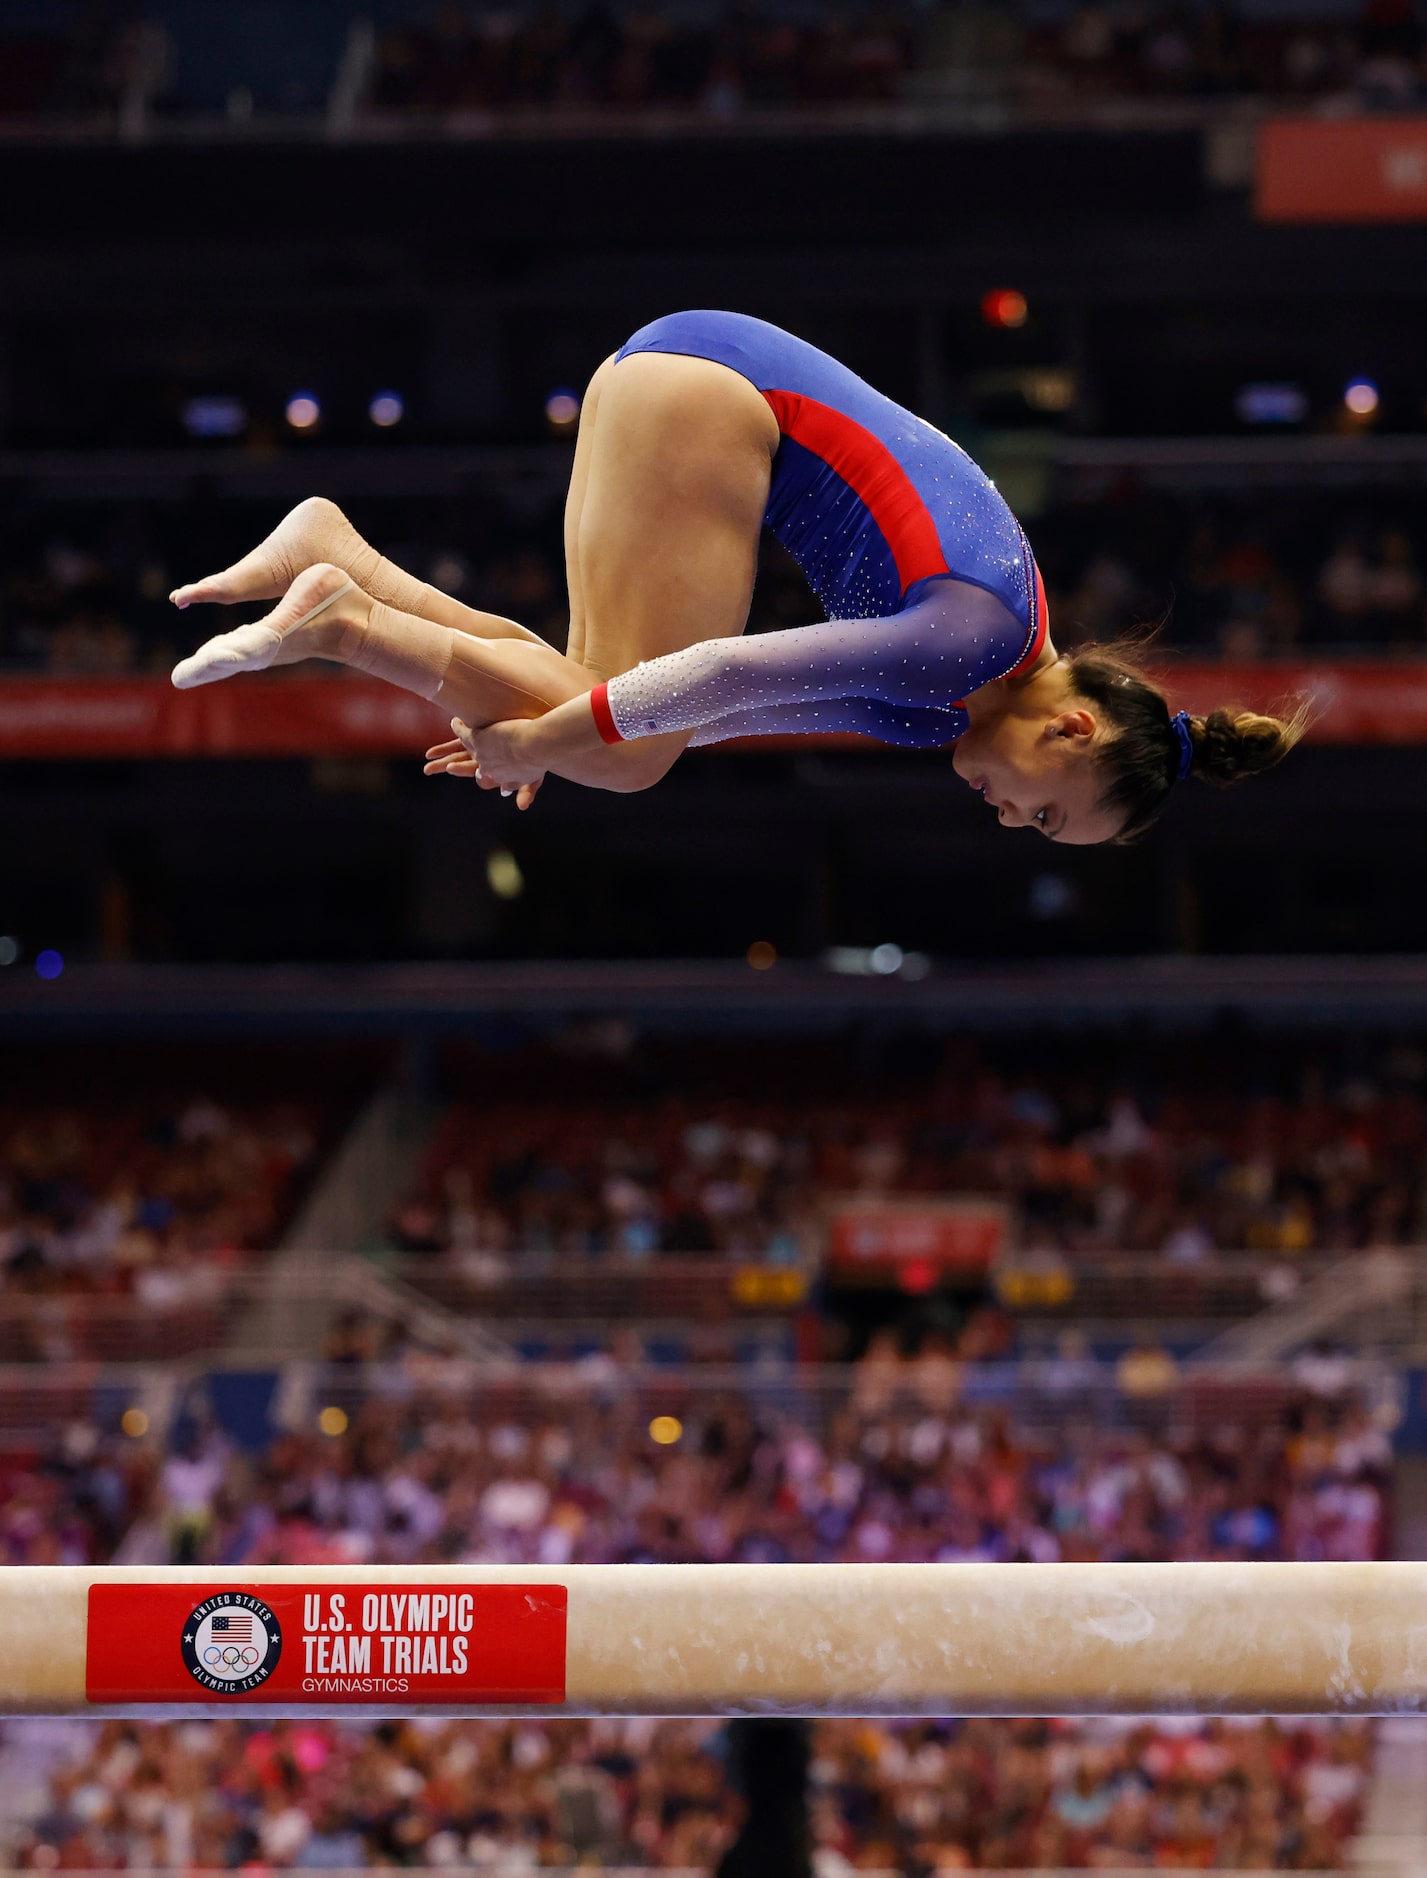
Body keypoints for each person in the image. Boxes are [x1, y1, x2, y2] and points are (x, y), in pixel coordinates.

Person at [169, 311, 1305, 840]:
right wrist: (545, 745)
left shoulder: (937, 715)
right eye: (1045, 817)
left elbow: (729, 708)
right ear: (1071, 734)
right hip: (715, 398)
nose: (1008, 823)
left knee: (610, 722)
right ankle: (347, 623)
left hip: (690, 379)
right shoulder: (973, 641)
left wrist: (555, 728)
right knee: (628, 752)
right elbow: (712, 674)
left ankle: (338, 558)